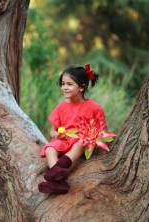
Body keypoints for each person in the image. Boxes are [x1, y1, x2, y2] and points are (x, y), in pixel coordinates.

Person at [38, 64, 107, 194]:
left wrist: (92, 137)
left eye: (69, 84)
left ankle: (55, 171)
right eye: (63, 84)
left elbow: (103, 131)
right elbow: (52, 131)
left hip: (81, 141)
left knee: (80, 142)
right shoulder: (61, 107)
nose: (64, 87)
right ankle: (60, 181)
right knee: (50, 148)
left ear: (81, 87)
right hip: (65, 140)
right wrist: (57, 135)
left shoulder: (93, 107)